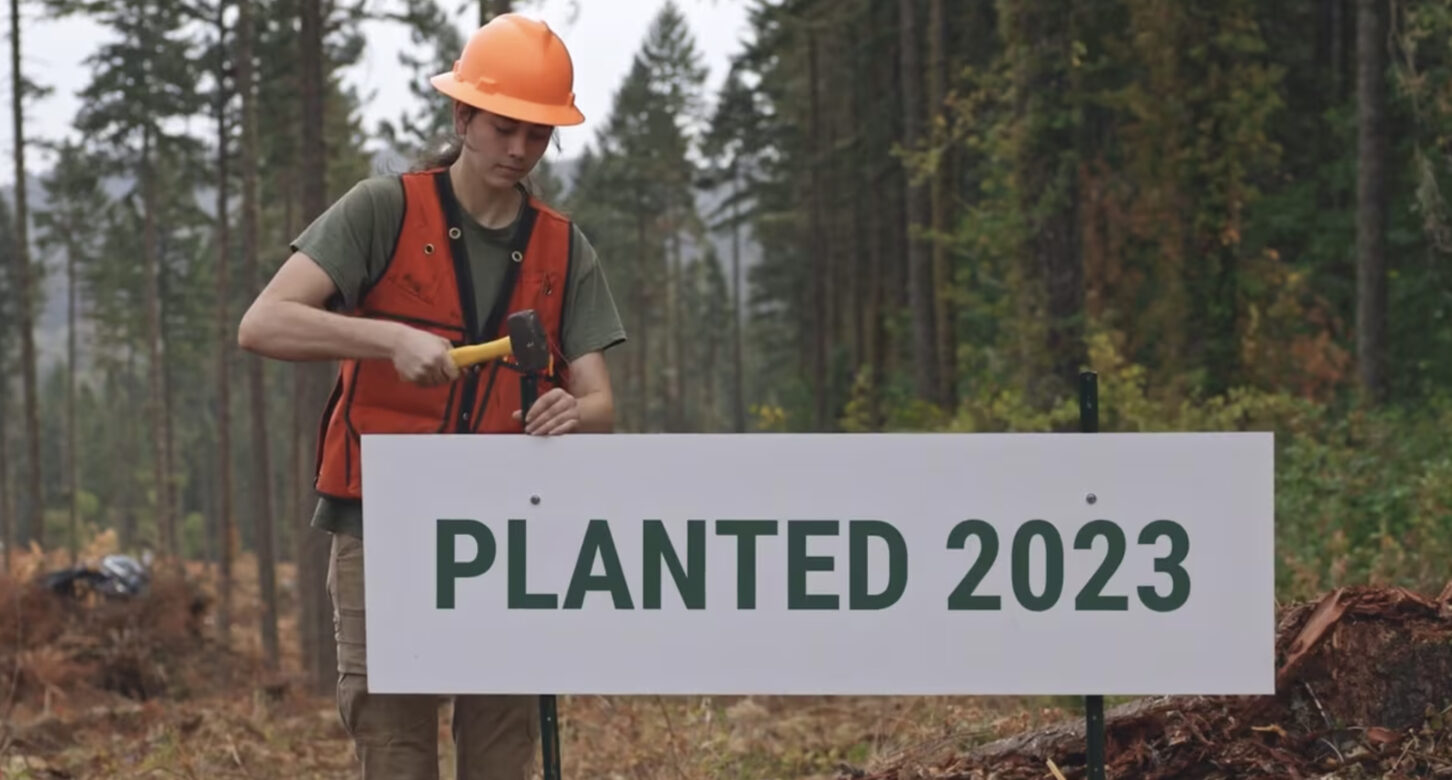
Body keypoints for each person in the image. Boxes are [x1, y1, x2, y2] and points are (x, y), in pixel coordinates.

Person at [237, 13, 625, 779]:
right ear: (462, 116)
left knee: (500, 744)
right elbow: (264, 323)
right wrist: (386, 338)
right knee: (395, 745)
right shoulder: (383, 209)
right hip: (380, 519)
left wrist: (574, 412)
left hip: (506, 531)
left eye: (539, 136)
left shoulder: (563, 247)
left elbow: (601, 401)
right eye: (505, 127)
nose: (520, 151)